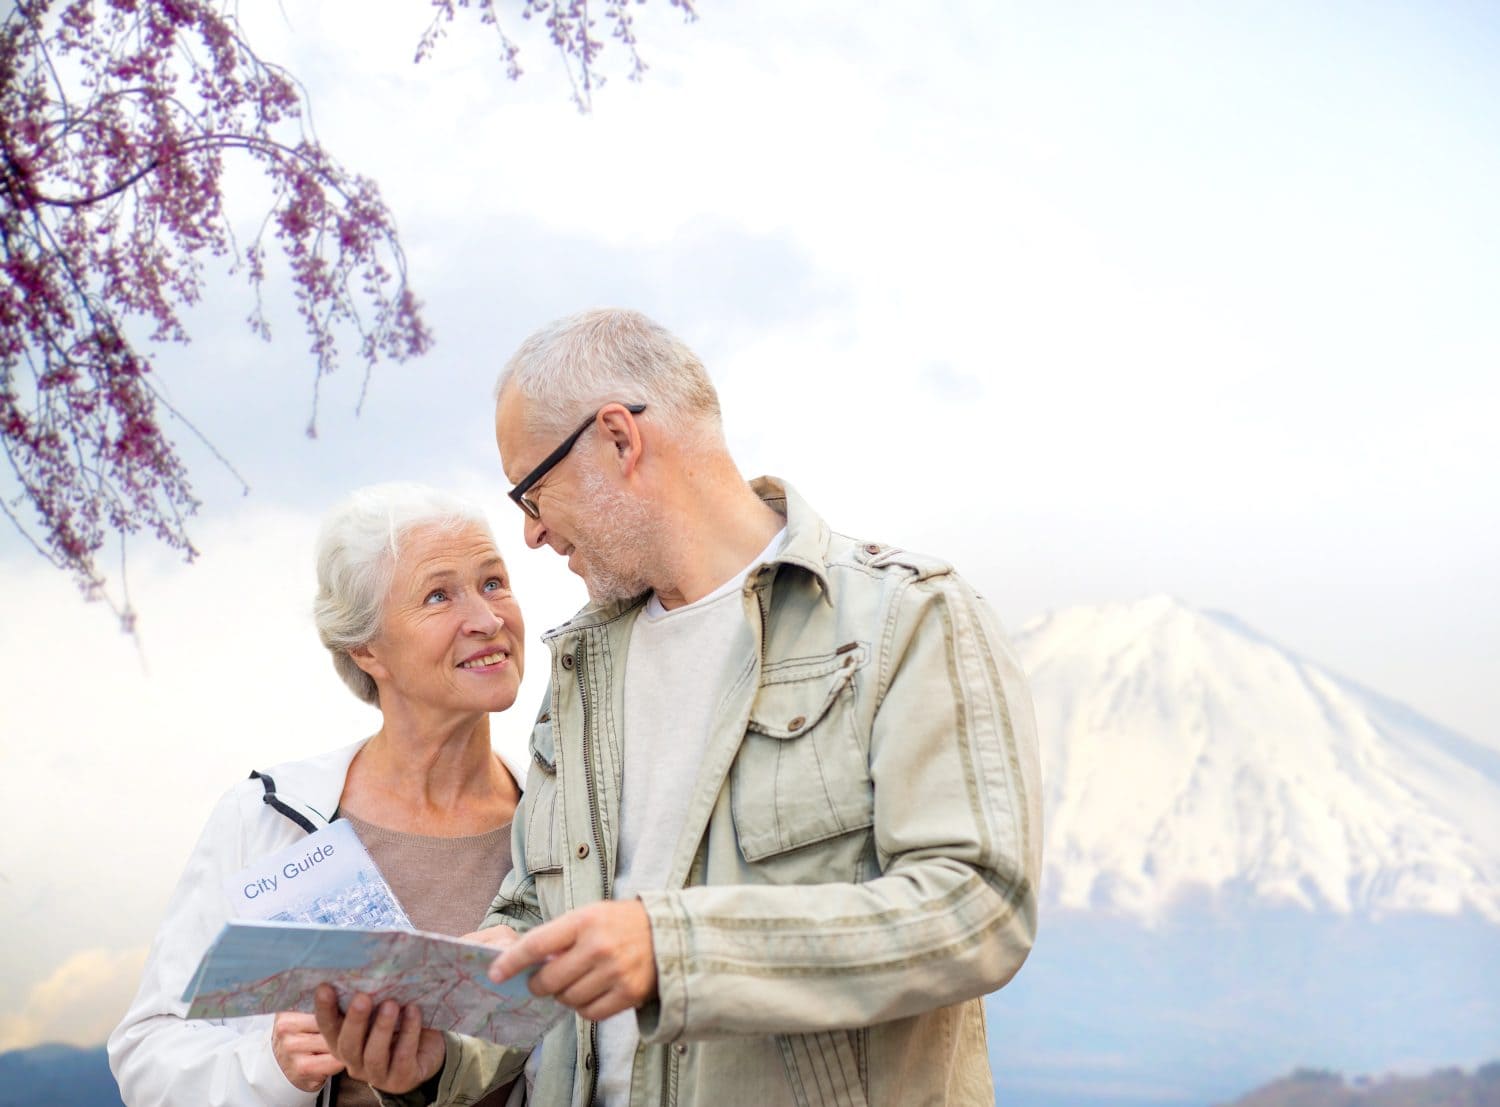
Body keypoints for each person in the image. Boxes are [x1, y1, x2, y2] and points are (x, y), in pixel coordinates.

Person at [320, 310, 1043, 1106]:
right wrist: (436, 1058)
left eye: (531, 489)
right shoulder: (580, 668)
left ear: (620, 440)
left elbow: (979, 906)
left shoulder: (907, 618)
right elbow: (533, 924)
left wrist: (676, 949)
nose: (529, 533)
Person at [109, 483, 529, 1107]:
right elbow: (147, 1053)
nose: (488, 619)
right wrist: (274, 1067)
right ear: (366, 648)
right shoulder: (267, 818)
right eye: (439, 595)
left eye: (493, 582)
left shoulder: (560, 822)